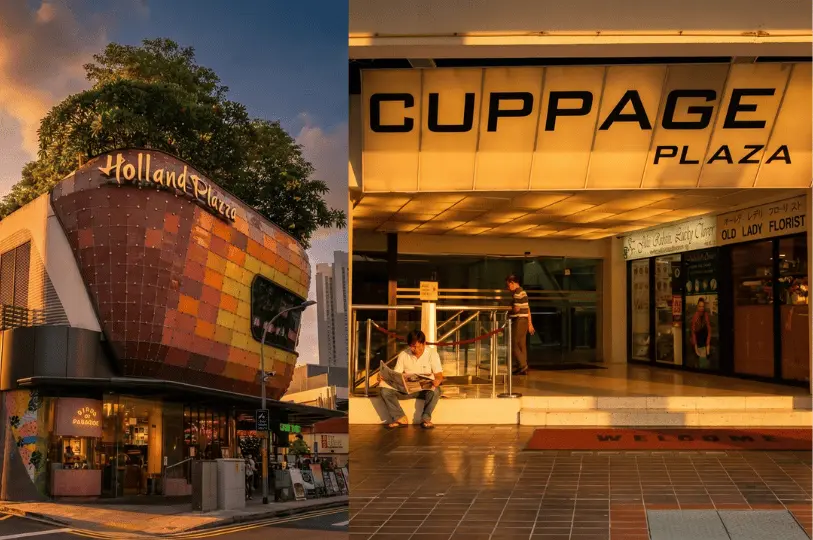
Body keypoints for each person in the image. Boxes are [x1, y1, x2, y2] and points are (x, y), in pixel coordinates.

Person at [379, 330, 443, 430]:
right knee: (384, 390)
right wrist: (385, 378)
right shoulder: (403, 354)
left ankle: (425, 419)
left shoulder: (432, 354)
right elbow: (397, 375)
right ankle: (400, 418)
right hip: (406, 390)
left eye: (417, 346)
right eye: (412, 346)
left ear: (424, 343)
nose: (415, 349)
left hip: (424, 390)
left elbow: (439, 375)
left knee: (436, 391)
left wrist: (437, 380)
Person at [506, 274, 535, 375]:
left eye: (508, 285)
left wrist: (510, 310)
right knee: (521, 344)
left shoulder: (517, 293)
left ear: (512, 283)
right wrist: (530, 323)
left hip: (519, 320)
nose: (508, 288)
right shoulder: (523, 292)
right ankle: (522, 367)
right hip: (524, 320)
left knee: (513, 343)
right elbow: (528, 309)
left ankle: (523, 365)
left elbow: (517, 309)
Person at [691, 297, 712, 369]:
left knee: (706, 364)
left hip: (705, 342)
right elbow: (693, 333)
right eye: (700, 306)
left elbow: (709, 331)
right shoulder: (695, 317)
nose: (701, 308)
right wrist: (696, 349)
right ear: (697, 307)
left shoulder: (706, 315)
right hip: (698, 343)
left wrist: (708, 348)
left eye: (703, 306)